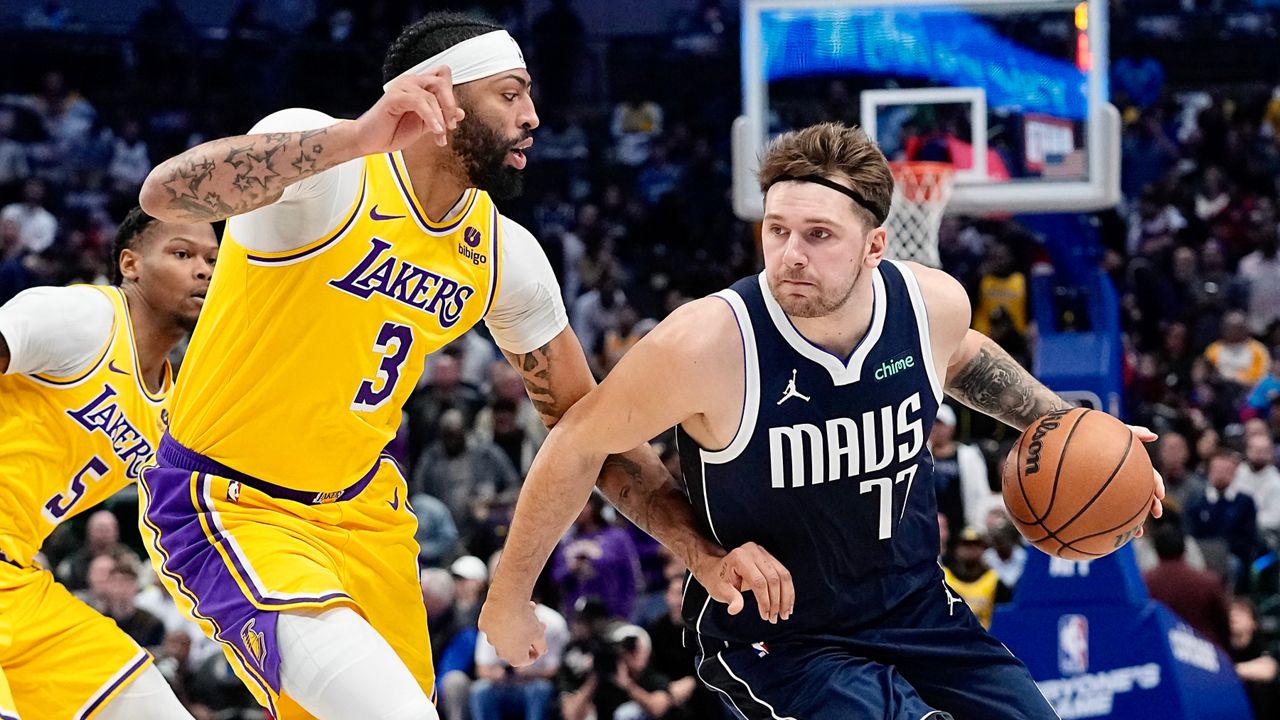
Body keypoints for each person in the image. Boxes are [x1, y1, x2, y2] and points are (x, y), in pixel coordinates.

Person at [136, 12, 779, 720]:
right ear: (439, 96)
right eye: (510, 94)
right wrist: (356, 135)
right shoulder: (330, 172)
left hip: (365, 516)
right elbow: (164, 195)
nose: (533, 116)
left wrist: (699, 552)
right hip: (230, 503)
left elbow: (588, 427)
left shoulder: (505, 255)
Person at [480, 122, 1164, 719]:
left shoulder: (931, 306)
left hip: (914, 608)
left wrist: (1071, 425)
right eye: (776, 231)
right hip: (781, 637)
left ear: (874, 247)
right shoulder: (706, 344)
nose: (790, 255)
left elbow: (958, 357)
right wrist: (512, 595)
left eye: (818, 235)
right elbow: (580, 444)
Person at [0, 206, 217, 719]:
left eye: (212, 258)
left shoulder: (175, 408)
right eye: (182, 253)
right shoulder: (86, 318)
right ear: (131, 264)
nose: (204, 269)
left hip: (16, 580)